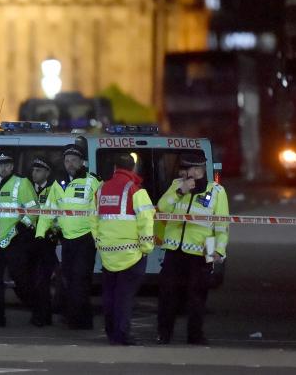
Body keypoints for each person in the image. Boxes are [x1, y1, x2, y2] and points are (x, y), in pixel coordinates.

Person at [156, 152, 229, 345]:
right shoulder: (176, 186)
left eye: (190, 169)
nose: (186, 173)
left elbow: (221, 225)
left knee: (197, 297)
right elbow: (162, 208)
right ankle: (164, 333)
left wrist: (218, 251)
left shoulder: (217, 191)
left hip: (200, 252)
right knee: (167, 295)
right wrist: (180, 191)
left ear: (200, 170)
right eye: (185, 169)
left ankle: (195, 335)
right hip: (174, 250)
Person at [36, 144, 102, 330]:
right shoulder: (58, 183)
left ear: (82, 162)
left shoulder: (92, 181)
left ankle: (80, 321)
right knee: (69, 279)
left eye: (74, 160)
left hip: (86, 239)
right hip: (67, 240)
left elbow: (98, 212)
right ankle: (75, 317)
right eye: (67, 160)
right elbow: (48, 210)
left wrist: (97, 239)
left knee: (80, 279)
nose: (70, 164)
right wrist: (41, 233)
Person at [96, 153, 155, 345]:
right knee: (125, 297)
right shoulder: (137, 191)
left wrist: (100, 242)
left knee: (110, 296)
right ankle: (121, 335)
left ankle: (110, 332)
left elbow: (93, 219)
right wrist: (146, 248)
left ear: (114, 168)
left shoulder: (101, 189)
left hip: (107, 253)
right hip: (131, 255)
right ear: (133, 169)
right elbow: (146, 222)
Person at [0, 151, 39, 328]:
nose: (3, 168)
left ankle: (39, 311)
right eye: (0, 164)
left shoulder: (21, 183)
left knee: (22, 281)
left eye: (7, 164)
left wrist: (22, 227)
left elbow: (34, 210)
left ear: (12, 166)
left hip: (14, 240)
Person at [30, 156, 60, 327]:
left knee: (43, 280)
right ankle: (37, 313)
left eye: (39, 170)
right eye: (33, 170)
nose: (34, 174)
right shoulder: (28, 188)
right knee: (31, 279)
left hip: (47, 241)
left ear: (47, 172)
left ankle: (43, 316)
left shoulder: (52, 190)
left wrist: (54, 232)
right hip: (28, 240)